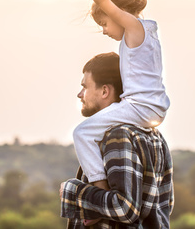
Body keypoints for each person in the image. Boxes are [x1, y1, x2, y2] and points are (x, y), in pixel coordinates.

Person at [59, 0, 171, 193]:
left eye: (105, 22)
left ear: (120, 15)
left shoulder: (133, 29)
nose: (104, 30)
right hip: (150, 105)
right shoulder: (144, 29)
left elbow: (104, 0)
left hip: (140, 106)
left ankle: (100, 191)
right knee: (92, 132)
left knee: (82, 134)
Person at [60, 52, 174, 228]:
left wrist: (73, 191)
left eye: (85, 87)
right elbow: (165, 205)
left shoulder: (118, 137)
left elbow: (124, 208)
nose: (80, 94)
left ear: (105, 91)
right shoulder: (155, 136)